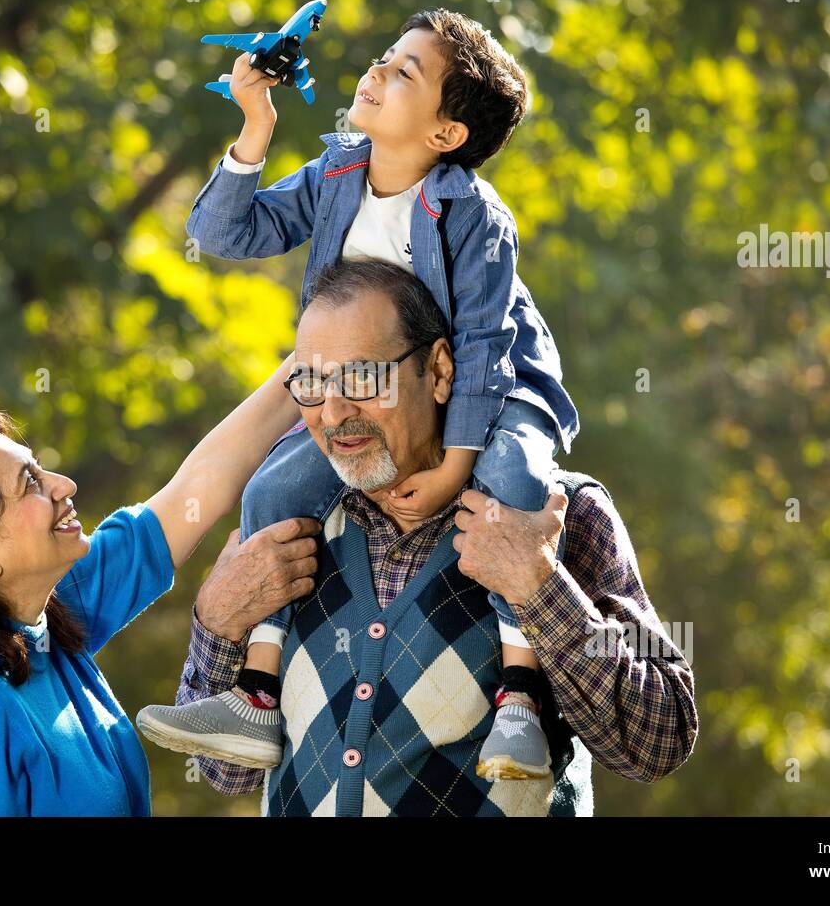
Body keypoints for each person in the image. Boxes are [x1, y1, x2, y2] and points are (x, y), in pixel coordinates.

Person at [137, 8, 579, 777]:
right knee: (272, 491)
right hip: (376, 400)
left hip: (495, 389)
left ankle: (520, 704)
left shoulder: (475, 216)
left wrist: (452, 467)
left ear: (446, 135)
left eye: (405, 71)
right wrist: (254, 125)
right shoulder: (339, 173)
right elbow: (223, 235)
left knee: (513, 484)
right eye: (383, 58)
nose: (374, 72)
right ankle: (257, 698)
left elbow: (482, 352)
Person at [137, 258, 699, 815]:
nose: (334, 413)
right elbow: (226, 769)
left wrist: (540, 587)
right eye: (312, 383)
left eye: (362, 377)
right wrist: (217, 621)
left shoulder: (556, 513)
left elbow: (659, 741)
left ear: (438, 370)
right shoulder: (289, 526)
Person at [0, 356, 320, 815]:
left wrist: (314, 359)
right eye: (30, 483)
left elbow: (198, 487)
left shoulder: (49, 609)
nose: (64, 485)